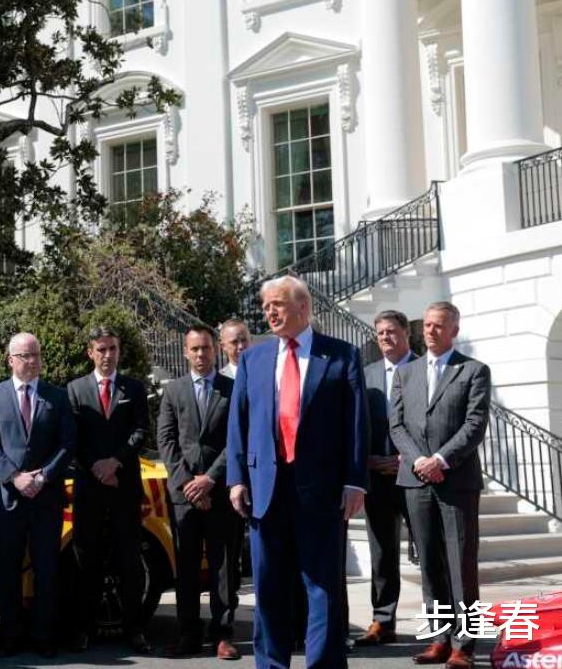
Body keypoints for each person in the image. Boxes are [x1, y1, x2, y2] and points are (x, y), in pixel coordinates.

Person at [226, 275, 369, 669]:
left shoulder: (340, 355)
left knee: (322, 587)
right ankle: (271, 664)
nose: (269, 312)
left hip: (321, 491)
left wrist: (355, 481)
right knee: (269, 587)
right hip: (265, 490)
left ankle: (322, 664)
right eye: (265, 306)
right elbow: (238, 424)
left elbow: (356, 424)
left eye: (277, 304)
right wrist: (236, 479)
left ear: (303, 307)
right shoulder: (253, 359)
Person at [391, 301, 490, 669]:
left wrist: (440, 460)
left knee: (461, 565)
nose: (430, 331)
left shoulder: (473, 371)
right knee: (430, 563)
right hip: (416, 481)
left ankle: (465, 645)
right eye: (427, 325)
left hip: (456, 481)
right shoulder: (406, 373)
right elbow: (397, 425)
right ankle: (440, 638)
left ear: (454, 331)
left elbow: (474, 424)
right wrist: (419, 460)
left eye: (439, 326)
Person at [0, 332, 75, 658]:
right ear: (10, 360)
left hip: (47, 498)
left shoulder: (57, 397)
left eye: (36, 355)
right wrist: (14, 477)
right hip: (8, 498)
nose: (32, 361)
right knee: (8, 570)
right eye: (25, 356)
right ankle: (10, 635)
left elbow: (68, 444)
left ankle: (44, 636)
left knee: (47, 569)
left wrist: (43, 476)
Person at [157, 325, 243, 661]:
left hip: (221, 493)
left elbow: (237, 439)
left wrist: (209, 479)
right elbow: (166, 441)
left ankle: (222, 634)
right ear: (185, 352)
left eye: (205, 348)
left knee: (224, 567)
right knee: (187, 566)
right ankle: (188, 634)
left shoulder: (232, 389)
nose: (200, 354)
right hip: (184, 496)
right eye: (194, 349)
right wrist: (189, 484)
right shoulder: (173, 391)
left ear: (215, 350)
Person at [65, 326, 152, 655]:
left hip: (124, 486)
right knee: (85, 560)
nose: (107, 355)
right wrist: (98, 468)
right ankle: (82, 629)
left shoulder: (134, 388)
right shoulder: (74, 390)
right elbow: (73, 438)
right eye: (101, 349)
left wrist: (114, 463)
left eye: (112, 348)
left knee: (130, 560)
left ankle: (135, 630)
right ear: (90, 352)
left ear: (119, 351)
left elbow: (140, 430)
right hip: (89, 488)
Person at [352, 310, 416, 647]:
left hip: (418, 477)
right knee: (382, 554)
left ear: (406, 333)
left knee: (431, 554)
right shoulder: (367, 375)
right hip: (377, 477)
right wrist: (367, 460)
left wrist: (411, 457)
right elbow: (356, 424)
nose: (386, 337)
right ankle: (383, 620)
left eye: (391, 331)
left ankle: (444, 624)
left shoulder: (424, 368)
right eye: (380, 333)